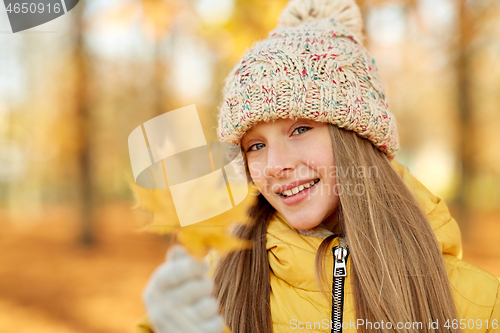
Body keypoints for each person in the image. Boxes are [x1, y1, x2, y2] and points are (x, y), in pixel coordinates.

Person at [136, 0, 500, 332]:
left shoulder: (480, 305)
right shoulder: (210, 287)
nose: (275, 165)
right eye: (256, 146)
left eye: (300, 128)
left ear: (357, 137)